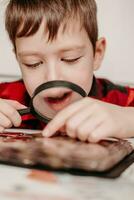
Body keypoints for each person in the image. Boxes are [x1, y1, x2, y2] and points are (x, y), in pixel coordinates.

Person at [0, 0, 134, 143]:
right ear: (18, 60)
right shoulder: (7, 98)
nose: (53, 78)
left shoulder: (119, 99)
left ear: (97, 54)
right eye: (33, 63)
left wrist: (129, 118)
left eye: (71, 59)